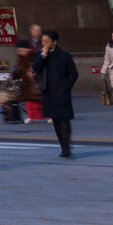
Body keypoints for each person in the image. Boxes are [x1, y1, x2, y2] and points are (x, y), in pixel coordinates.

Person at [37, 28, 79, 158]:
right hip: (48, 93)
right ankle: (63, 147)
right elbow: (35, 68)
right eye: (42, 41)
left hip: (62, 92)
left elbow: (73, 73)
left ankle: (66, 148)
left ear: (54, 42)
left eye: (47, 41)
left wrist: (66, 85)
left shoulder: (64, 55)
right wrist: (43, 55)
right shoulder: (41, 54)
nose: (44, 44)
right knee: (55, 120)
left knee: (64, 120)